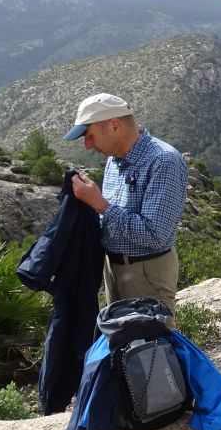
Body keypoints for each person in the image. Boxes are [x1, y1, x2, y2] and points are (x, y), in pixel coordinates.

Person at [64, 92, 188, 315]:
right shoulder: (114, 159)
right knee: (120, 342)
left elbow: (155, 234)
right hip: (113, 268)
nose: (87, 145)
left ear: (114, 126)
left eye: (90, 136)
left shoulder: (163, 160)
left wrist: (101, 205)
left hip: (147, 270)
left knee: (151, 346)